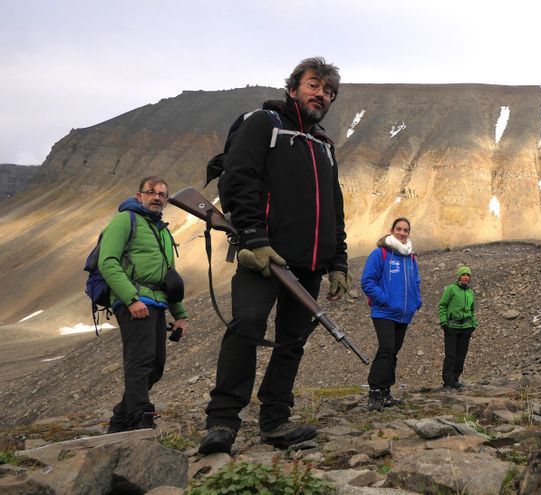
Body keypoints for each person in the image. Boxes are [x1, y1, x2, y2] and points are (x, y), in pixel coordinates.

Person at [199, 57, 350, 454]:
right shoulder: (264, 124)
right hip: (261, 257)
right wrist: (252, 238)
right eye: (314, 85)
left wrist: (338, 263)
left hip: (310, 263)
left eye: (329, 91)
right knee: (245, 326)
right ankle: (222, 422)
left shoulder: (324, 145)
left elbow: (334, 208)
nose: (322, 95)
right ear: (293, 87)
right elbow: (238, 178)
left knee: (292, 341)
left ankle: (275, 420)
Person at [99, 176, 188, 433]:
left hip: (158, 303)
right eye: (151, 192)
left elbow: (170, 277)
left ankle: (120, 420)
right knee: (140, 360)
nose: (157, 197)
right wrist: (131, 299)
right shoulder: (124, 220)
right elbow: (108, 262)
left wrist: (180, 315)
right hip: (134, 301)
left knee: (156, 365)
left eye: (162, 194)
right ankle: (140, 416)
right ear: (139, 196)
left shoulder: (161, 229)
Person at [361, 217, 422, 411]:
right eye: (399, 229)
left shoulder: (410, 257)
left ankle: (386, 392)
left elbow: (416, 282)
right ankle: (375, 392)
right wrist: (385, 299)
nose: (402, 233)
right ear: (392, 230)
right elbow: (367, 281)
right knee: (386, 349)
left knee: (393, 353)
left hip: (404, 314)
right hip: (384, 312)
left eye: (406, 230)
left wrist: (416, 301)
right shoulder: (381, 254)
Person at [438, 266, 478, 390]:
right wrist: (444, 322)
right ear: (459, 276)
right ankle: (447, 382)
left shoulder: (470, 292)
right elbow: (442, 305)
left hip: (466, 327)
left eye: (468, 275)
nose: (465, 277)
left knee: (461, 355)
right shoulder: (451, 289)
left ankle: (455, 379)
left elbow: (472, 310)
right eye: (463, 275)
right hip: (452, 327)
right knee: (450, 355)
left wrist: (474, 323)